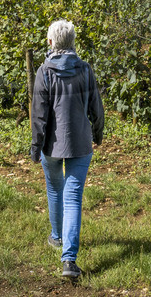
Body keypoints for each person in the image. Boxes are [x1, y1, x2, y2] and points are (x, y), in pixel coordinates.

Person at [29, 19, 103, 281]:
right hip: (80, 143)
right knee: (73, 197)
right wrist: (98, 133)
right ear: (73, 43)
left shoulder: (44, 72)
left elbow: (38, 116)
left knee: (54, 188)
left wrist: (36, 146)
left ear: (50, 43)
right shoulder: (85, 70)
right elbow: (96, 107)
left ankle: (57, 237)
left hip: (51, 145)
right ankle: (69, 261)